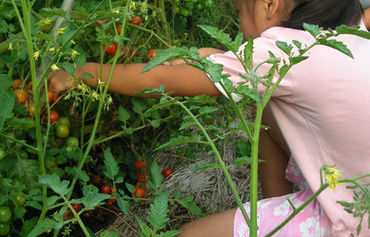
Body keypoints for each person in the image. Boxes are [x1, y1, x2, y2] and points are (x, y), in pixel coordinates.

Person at [49, 0, 370, 236]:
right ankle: (279, 208)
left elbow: (156, 81)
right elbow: (272, 73)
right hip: (352, 184)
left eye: (238, 13)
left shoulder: (282, 53)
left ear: (269, 5)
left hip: (350, 216)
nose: (239, 24)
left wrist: (85, 73)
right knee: (265, 107)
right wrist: (215, 57)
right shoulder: (348, 35)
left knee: (192, 235)